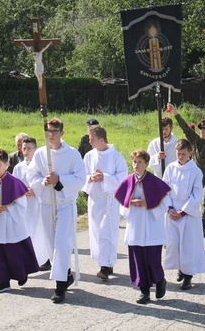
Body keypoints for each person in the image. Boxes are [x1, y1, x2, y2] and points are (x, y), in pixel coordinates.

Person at [26, 118, 86, 304]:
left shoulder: (73, 154)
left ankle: (60, 286)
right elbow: (31, 175)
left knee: (61, 244)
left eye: (54, 130)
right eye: (48, 131)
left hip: (65, 203)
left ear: (62, 133)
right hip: (46, 203)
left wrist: (60, 180)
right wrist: (42, 182)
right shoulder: (40, 154)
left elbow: (80, 179)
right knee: (52, 244)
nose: (50, 134)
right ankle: (65, 273)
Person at [0, 149, 40, 293]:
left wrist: (6, 208)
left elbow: (22, 204)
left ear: (6, 164)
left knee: (14, 253)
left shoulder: (14, 182)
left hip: (11, 223)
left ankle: (21, 274)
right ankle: (3, 282)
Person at [115, 150, 171, 304]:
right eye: (134, 162)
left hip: (152, 225)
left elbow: (166, 203)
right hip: (135, 225)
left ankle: (160, 280)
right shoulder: (128, 181)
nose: (136, 165)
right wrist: (130, 204)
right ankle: (144, 291)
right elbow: (121, 203)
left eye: (140, 162)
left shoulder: (155, 181)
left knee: (152, 259)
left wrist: (149, 204)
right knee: (137, 259)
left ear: (147, 164)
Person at [169, 104, 205, 236]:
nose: (203, 130)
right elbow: (185, 128)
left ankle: (202, 227)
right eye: (201, 128)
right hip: (195, 178)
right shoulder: (196, 141)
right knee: (201, 203)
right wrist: (175, 113)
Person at [82, 125, 128, 280]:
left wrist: (106, 178)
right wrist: (91, 178)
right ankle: (104, 261)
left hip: (110, 199)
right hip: (95, 199)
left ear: (101, 140)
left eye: (92, 139)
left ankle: (106, 266)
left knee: (107, 231)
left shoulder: (116, 156)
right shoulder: (89, 156)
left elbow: (123, 178)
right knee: (96, 231)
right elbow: (82, 175)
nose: (90, 142)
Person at [163, 139, 205, 291]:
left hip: (187, 214)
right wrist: (169, 208)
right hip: (172, 212)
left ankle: (188, 277)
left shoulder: (195, 171)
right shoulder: (170, 168)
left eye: (183, 154)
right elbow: (165, 189)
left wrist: (183, 211)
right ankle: (180, 268)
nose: (180, 157)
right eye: (178, 154)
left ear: (190, 153)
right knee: (174, 243)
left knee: (188, 245)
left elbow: (196, 194)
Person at [11, 137, 45, 267]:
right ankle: (29, 259)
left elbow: (45, 182)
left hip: (38, 202)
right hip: (24, 204)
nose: (26, 151)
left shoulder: (41, 165)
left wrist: (35, 190)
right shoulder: (19, 167)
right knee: (27, 231)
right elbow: (14, 185)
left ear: (35, 149)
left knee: (40, 231)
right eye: (24, 148)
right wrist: (22, 192)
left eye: (29, 148)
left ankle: (45, 259)